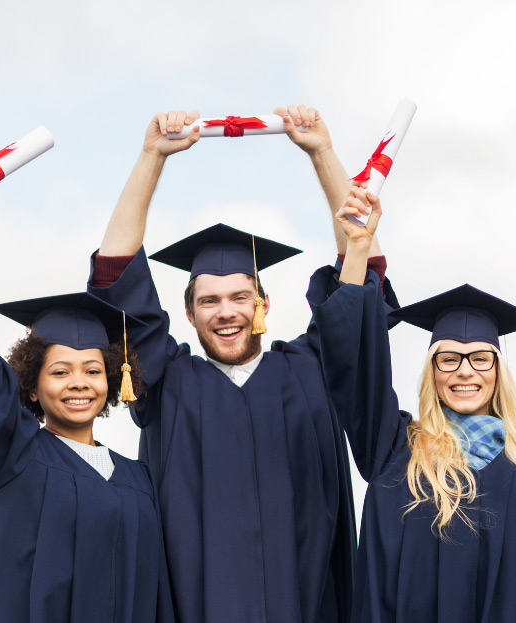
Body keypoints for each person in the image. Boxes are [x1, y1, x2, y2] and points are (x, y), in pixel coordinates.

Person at [87, 106, 390, 622]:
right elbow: (117, 273)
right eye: (208, 301)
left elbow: (359, 282)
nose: (226, 311)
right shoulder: (167, 383)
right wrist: (151, 158)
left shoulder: (312, 371)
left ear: (263, 305)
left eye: (239, 297)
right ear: (188, 312)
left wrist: (322, 154)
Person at [302, 185, 516, 622]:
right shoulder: (393, 451)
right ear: (432, 372)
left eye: (480, 359)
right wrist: (357, 249)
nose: (465, 371)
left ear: (498, 370)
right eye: (448, 359)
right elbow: (351, 362)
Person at [0, 172, 172, 622]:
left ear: (114, 378)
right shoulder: (9, 453)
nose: (79, 382)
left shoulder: (141, 480)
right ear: (31, 384)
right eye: (59, 371)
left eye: (93, 370)